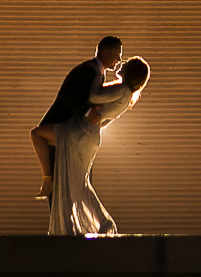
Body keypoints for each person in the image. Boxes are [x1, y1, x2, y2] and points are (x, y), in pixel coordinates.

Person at [42, 56, 149, 237]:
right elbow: (104, 120)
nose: (121, 64)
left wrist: (97, 78)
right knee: (77, 182)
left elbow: (92, 96)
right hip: (87, 136)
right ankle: (79, 224)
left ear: (130, 72)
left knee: (39, 136)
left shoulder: (122, 90)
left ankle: (99, 222)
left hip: (80, 133)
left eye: (126, 64)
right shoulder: (126, 95)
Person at [31, 36, 123, 199]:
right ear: (104, 51)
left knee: (66, 191)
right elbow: (67, 96)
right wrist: (88, 112)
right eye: (117, 54)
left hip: (71, 133)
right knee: (59, 190)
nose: (119, 60)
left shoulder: (97, 72)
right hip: (59, 128)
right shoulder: (88, 70)